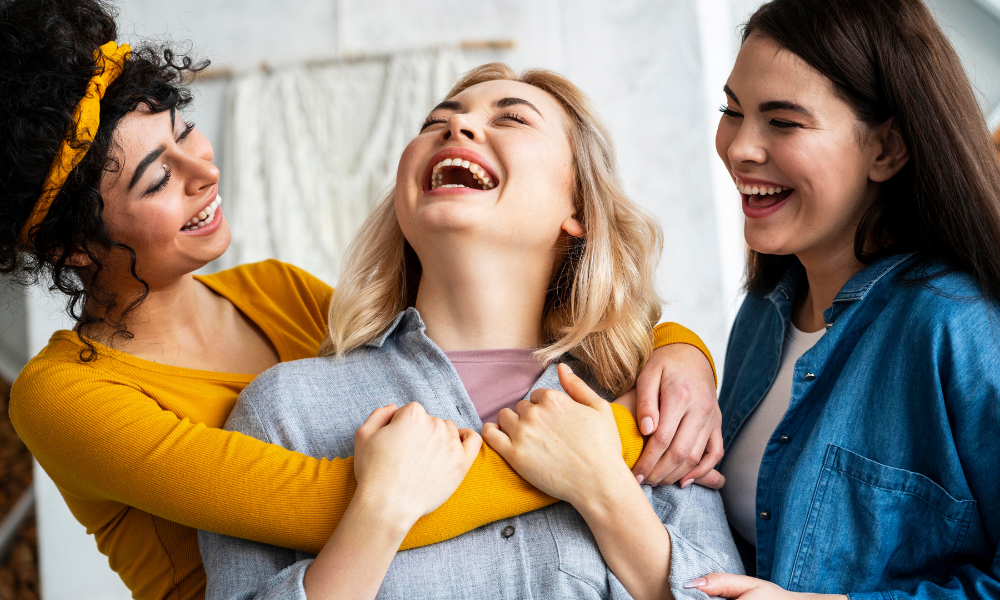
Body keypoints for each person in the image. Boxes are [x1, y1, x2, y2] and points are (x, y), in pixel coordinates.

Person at [0, 1, 722, 599]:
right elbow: (321, 503)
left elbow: (415, 325)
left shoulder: (276, 292)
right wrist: (614, 449)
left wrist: (680, 351)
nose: (204, 172)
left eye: (185, 130)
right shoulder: (65, 397)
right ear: (73, 246)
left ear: (579, 209)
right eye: (158, 180)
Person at [199, 63, 744, 600]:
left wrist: (604, 490)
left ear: (577, 208)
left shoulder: (650, 404)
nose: (456, 127)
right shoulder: (287, 410)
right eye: (436, 122)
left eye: (512, 119)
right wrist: (378, 514)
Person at [685, 1, 1000, 598]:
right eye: (732, 111)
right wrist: (677, 351)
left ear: (887, 149)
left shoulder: (958, 325)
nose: (740, 147)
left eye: (783, 122)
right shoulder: (764, 311)